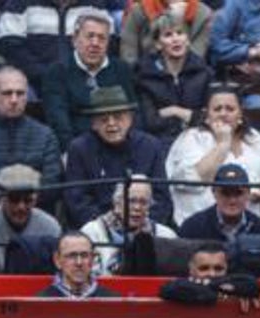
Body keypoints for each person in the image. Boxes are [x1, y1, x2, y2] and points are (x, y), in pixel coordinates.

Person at [166, 85, 260, 225]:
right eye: (217, 109)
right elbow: (188, 181)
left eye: (230, 109)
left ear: (240, 114)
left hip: (247, 225)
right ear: (207, 115)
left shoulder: (254, 139)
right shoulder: (192, 138)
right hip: (200, 226)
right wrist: (223, 144)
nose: (223, 114)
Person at [63, 86, 171, 228]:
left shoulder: (150, 146)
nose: (111, 123)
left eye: (118, 117)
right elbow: (78, 202)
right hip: (98, 229)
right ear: (93, 124)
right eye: (104, 119)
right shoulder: (79, 148)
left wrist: (144, 227)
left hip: (145, 227)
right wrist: (109, 227)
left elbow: (161, 199)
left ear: (130, 119)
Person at [40, 10, 138, 150]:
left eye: (101, 38)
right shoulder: (57, 72)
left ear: (108, 43)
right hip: (77, 148)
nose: (95, 43)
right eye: (90, 36)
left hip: (119, 145)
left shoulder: (121, 69)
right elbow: (59, 124)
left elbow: (132, 113)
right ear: (75, 40)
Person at [0, 67, 63, 214]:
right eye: (7, 93)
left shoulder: (45, 135)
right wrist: (31, 178)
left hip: (36, 217)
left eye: (20, 93)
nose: (14, 100)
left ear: (27, 97)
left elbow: (52, 186)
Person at [135, 12, 215, 146]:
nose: (176, 39)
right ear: (157, 44)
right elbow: (150, 122)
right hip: (159, 143)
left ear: (188, 39)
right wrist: (190, 116)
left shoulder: (204, 73)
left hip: (198, 141)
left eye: (180, 33)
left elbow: (210, 118)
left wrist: (174, 111)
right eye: (168, 35)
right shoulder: (144, 76)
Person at [80, 176, 178, 275]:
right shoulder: (92, 232)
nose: (137, 207)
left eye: (143, 202)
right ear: (117, 203)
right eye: (131, 201)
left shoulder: (166, 235)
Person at [0, 164, 61, 274]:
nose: (21, 207)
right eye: (14, 199)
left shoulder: (50, 226)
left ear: (36, 200)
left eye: (27, 200)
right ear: (1, 199)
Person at [178, 163, 260, 241]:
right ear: (214, 193)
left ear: (248, 194)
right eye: (225, 193)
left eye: (238, 193)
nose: (232, 200)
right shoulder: (192, 228)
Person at [159, 242, 260, 312]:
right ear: (191, 268)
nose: (212, 274)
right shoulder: (178, 285)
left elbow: (253, 285)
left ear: (226, 267)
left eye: (218, 269)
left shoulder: (238, 281)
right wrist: (225, 290)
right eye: (204, 268)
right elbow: (168, 290)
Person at [121, 0, 213, 64]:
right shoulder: (138, 10)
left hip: (187, 76)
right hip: (146, 73)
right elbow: (129, 53)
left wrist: (178, 19)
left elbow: (196, 56)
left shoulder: (203, 13)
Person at [37, 231, 119, 298]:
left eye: (84, 255)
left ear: (93, 259)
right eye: (71, 256)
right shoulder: (41, 302)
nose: (79, 262)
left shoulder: (113, 301)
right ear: (57, 260)